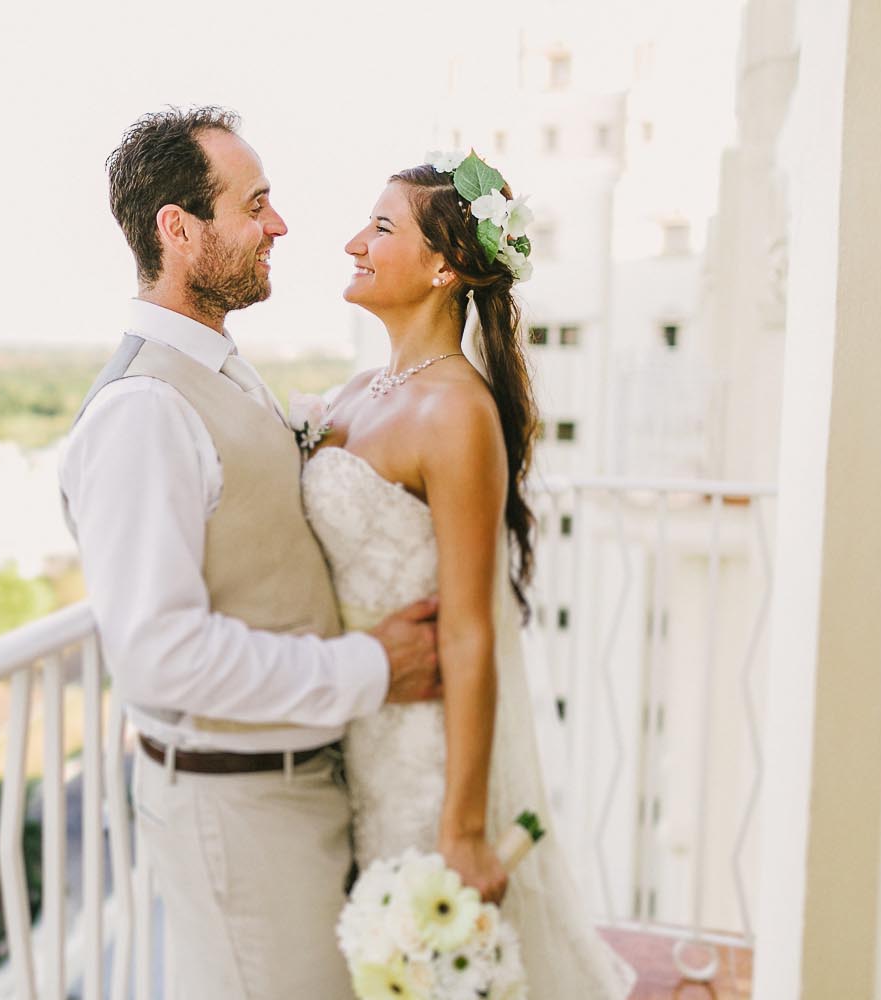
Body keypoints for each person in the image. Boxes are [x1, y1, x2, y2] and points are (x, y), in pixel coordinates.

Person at [58, 107, 443, 1000]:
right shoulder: (142, 412)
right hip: (238, 811)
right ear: (179, 229)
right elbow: (159, 659)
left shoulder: (219, 369)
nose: (280, 225)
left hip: (291, 792)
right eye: (255, 204)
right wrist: (371, 667)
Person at [301, 153, 635, 995]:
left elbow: (471, 625)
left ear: (445, 265)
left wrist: (463, 828)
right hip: (338, 725)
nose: (353, 243)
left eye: (381, 227)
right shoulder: (349, 395)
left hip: (417, 755)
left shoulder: (454, 411)